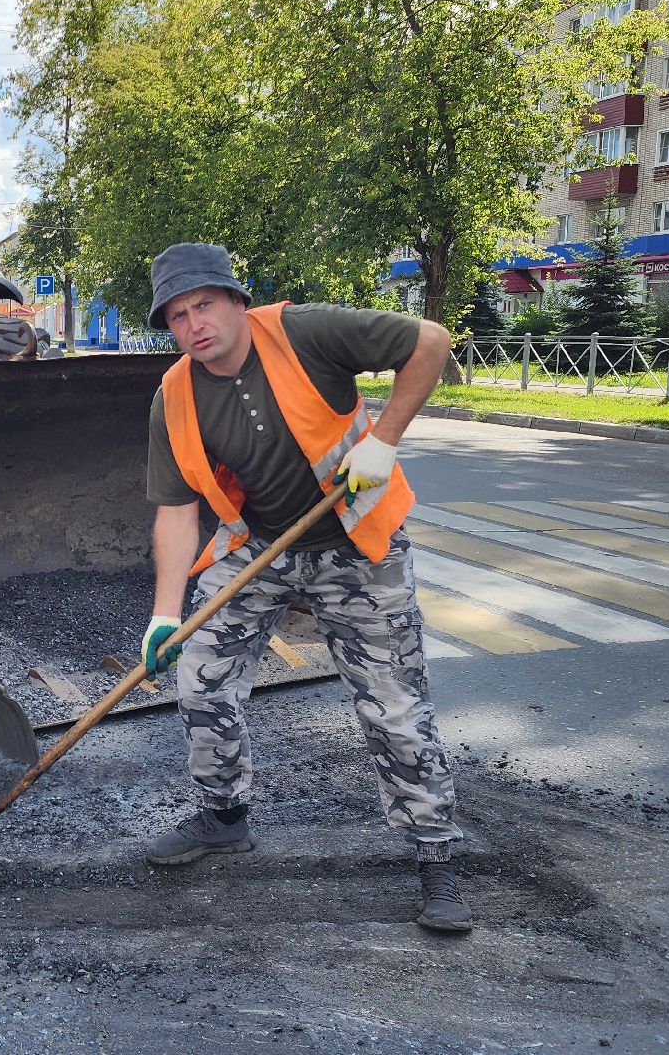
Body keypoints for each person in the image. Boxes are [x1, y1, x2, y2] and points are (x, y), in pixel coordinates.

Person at [137, 243, 472, 932]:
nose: (194, 324)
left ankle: (436, 854)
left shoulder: (303, 332)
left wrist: (383, 439)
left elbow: (432, 342)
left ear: (235, 299)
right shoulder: (173, 396)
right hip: (259, 548)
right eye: (177, 315)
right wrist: (165, 616)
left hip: (354, 542)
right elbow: (176, 511)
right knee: (200, 676)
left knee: (392, 706)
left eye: (204, 304)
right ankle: (224, 816)